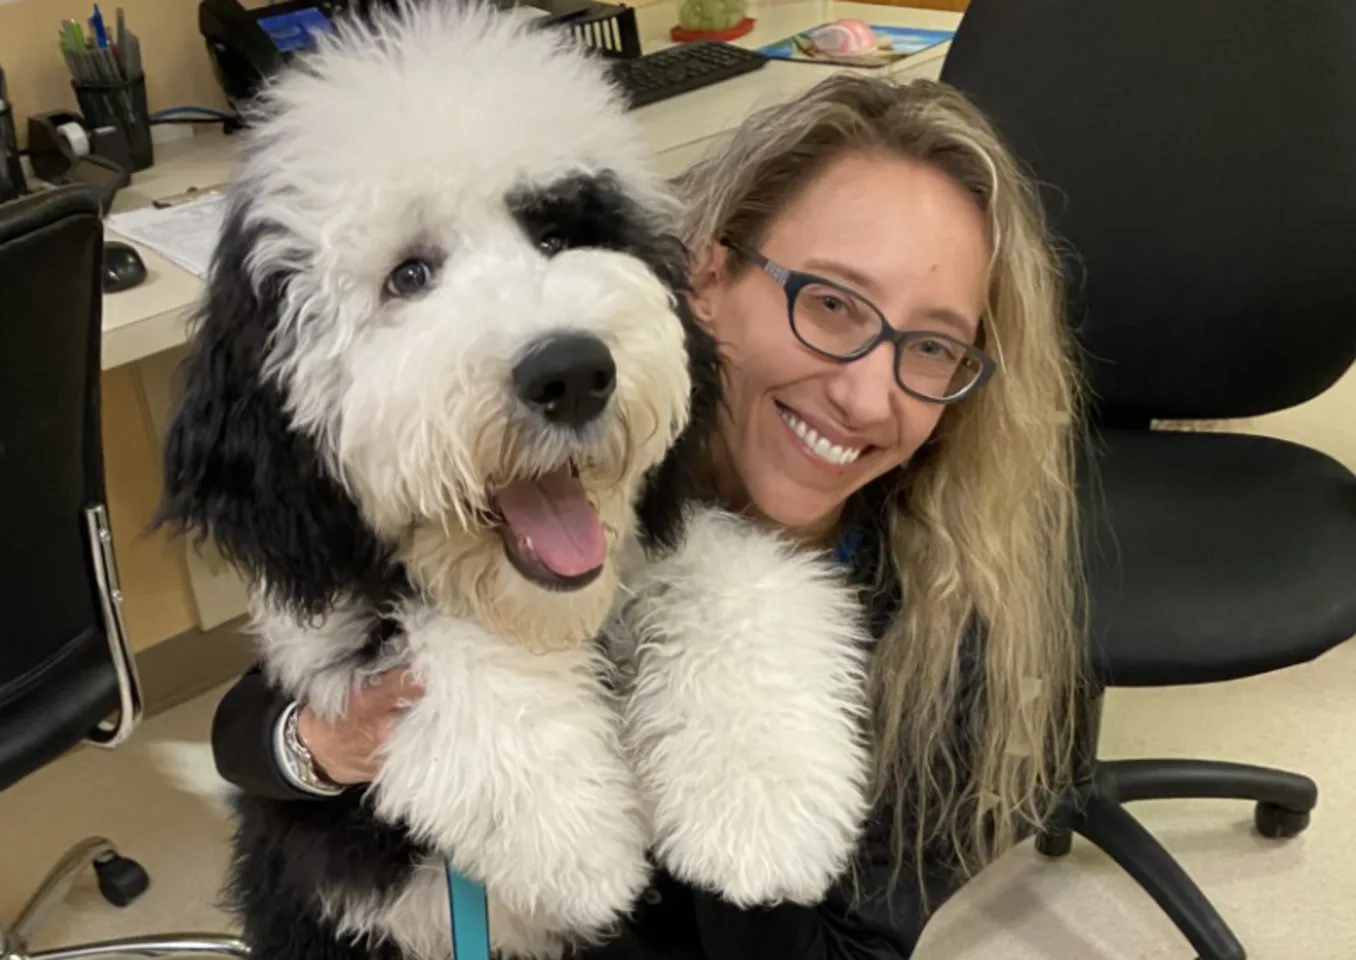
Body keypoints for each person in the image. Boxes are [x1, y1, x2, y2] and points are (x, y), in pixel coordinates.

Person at [209, 73, 1086, 959]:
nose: (864, 394)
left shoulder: (945, 630)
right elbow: (254, 722)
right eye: (830, 303)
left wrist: (733, 803)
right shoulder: (577, 487)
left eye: (932, 347)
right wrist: (321, 744)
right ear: (702, 275)